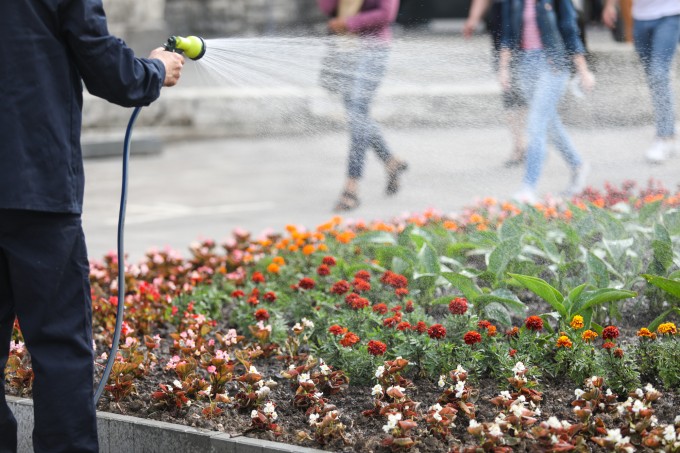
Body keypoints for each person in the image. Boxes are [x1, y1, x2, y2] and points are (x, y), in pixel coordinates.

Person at [0, 1, 184, 451]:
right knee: (60, 348)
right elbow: (108, 69)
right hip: (35, 184)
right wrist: (154, 70)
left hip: (33, 184)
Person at [499, 0, 596, 203]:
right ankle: (578, 165)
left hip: (553, 65)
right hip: (526, 65)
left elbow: (570, 30)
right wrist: (504, 68)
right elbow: (507, 33)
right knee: (549, 124)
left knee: (535, 124)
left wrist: (584, 70)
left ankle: (528, 187)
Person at [317, 0, 408, 212]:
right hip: (345, 50)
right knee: (357, 116)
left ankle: (352, 186)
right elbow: (328, 9)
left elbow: (386, 15)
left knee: (358, 113)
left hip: (373, 50)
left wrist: (349, 22)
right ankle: (391, 161)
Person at [603, 0, 680, 163]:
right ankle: (670, 128)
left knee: (659, 73)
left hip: (671, 14)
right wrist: (610, 5)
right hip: (640, 17)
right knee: (654, 79)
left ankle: (664, 137)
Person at [464, 0, 528, 167]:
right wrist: (473, 18)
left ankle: (527, 145)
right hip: (503, 27)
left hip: (531, 28)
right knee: (510, 90)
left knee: (525, 91)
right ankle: (520, 145)